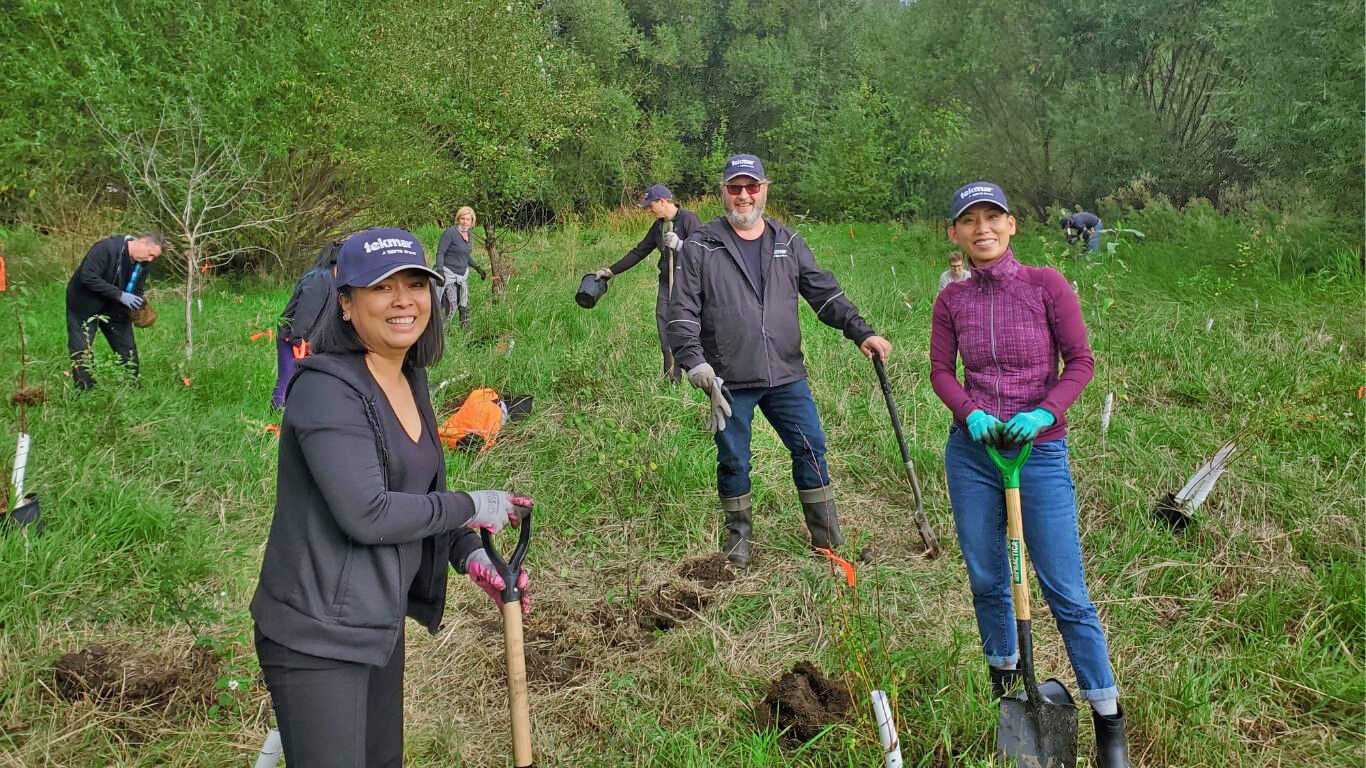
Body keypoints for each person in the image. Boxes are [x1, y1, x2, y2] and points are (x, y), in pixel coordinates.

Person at [250, 228, 533, 766]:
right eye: (381, 288)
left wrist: (469, 553)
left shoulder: (410, 376)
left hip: (376, 621)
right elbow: (369, 511)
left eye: (415, 283)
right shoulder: (324, 389)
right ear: (347, 305)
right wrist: (472, 503)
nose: (403, 300)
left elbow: (420, 495)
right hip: (316, 633)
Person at [931, 182, 1129, 767]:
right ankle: (1008, 690)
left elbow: (1082, 362)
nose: (982, 228)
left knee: (1065, 589)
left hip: (1036, 454)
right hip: (974, 453)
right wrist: (971, 416)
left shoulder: (1047, 284)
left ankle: (1107, 720)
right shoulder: (953, 300)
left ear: (1012, 225)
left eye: (993, 217)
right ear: (955, 234)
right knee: (988, 577)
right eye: (970, 221)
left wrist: (1046, 410)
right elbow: (942, 372)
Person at [668, 154, 891, 567]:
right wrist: (696, 364)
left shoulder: (786, 241)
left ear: (765, 189)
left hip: (786, 374)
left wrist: (862, 331)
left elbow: (825, 294)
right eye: (735, 188)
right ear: (723, 192)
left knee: (811, 446)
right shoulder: (702, 244)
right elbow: (681, 312)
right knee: (734, 458)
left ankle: (826, 538)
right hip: (729, 378)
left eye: (752, 187)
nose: (744, 196)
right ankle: (739, 540)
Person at [593, 184, 702, 382]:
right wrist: (611, 271)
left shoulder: (689, 220)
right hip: (665, 285)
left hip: (688, 287)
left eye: (650, 205)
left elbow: (703, 254)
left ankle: (700, 378)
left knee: (688, 332)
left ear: (662, 202)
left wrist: (680, 246)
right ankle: (672, 380)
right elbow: (639, 251)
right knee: (665, 334)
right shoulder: (658, 226)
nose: (649, 210)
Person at [64, 233, 164, 390]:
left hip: (115, 307)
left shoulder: (142, 263)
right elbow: (88, 277)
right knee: (81, 347)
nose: (150, 259)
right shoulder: (107, 248)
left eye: (154, 257)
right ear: (142, 242)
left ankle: (132, 386)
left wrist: (137, 305)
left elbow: (138, 288)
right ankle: (85, 390)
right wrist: (120, 295)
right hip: (84, 303)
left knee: (127, 348)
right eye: (150, 254)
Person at [271, 240, 341, 410]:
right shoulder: (320, 278)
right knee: (287, 379)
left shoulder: (332, 280)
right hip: (293, 337)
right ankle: (275, 419)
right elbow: (307, 311)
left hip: (306, 340)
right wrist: (297, 339)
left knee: (304, 382)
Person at [434, 207, 487, 329]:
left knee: (465, 307)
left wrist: (477, 267)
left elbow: (465, 255)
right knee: (450, 307)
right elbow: (440, 252)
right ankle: (440, 334)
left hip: (463, 275)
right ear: (458, 219)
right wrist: (440, 271)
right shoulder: (450, 233)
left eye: (468, 219)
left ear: (472, 221)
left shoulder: (469, 234)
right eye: (462, 218)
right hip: (448, 274)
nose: (465, 222)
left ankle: (466, 336)